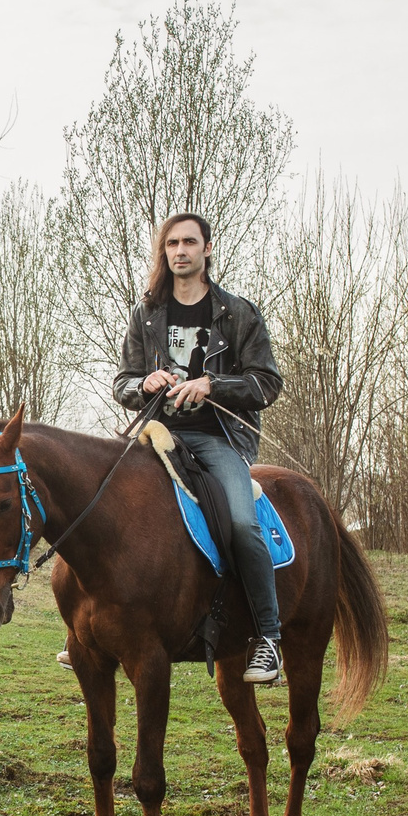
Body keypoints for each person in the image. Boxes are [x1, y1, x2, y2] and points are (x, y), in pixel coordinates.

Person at [113, 211, 287, 683]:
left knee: (240, 520)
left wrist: (213, 385)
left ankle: (268, 638)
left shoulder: (238, 313)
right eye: (172, 244)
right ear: (164, 252)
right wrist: (144, 383)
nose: (180, 251)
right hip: (155, 436)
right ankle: (83, 631)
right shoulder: (147, 314)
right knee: (99, 502)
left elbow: (267, 383)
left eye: (189, 242)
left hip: (217, 439)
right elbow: (121, 383)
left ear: (207, 249)